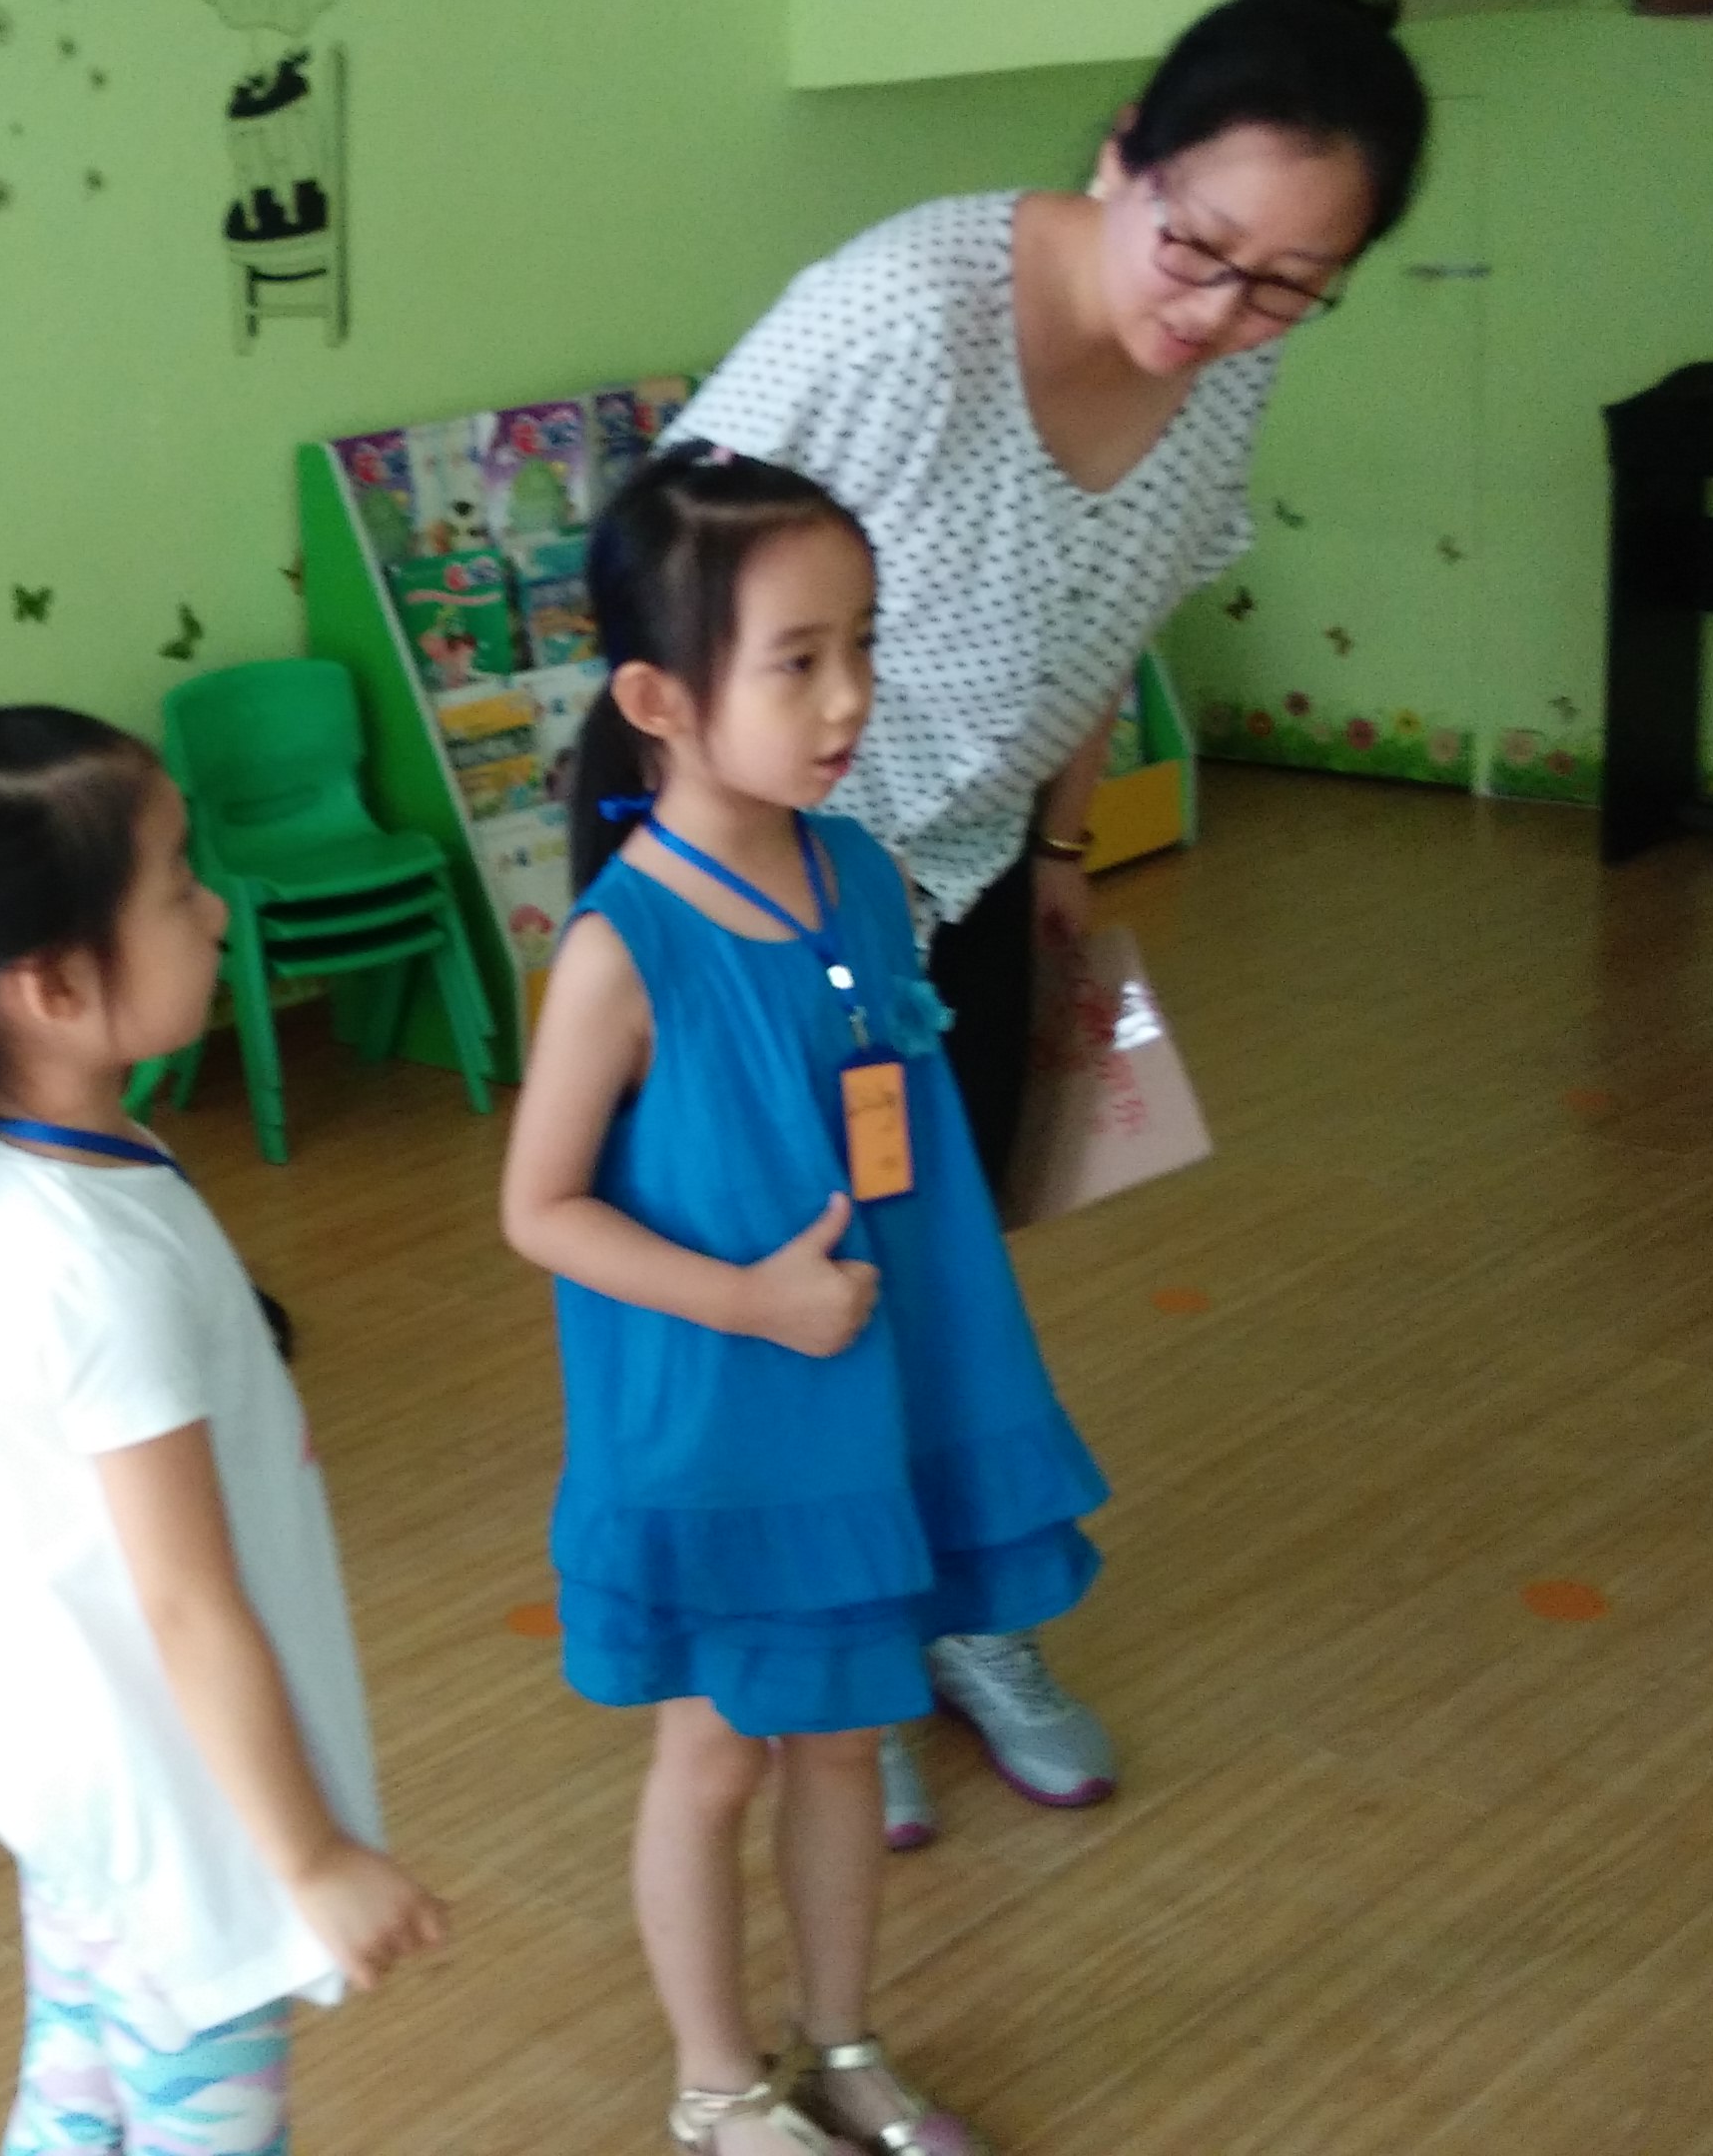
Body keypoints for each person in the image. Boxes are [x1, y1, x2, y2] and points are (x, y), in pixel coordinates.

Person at [664, 0, 1432, 1844]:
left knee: (952, 1255)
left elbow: (1112, 617)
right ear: (1120, 156)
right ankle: (826, 1657)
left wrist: (1066, 845)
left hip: (978, 861)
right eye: (1199, 250)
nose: (1224, 312)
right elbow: (663, 568)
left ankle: (956, 1611)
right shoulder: (902, 312)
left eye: (1293, 288)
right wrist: (711, 911)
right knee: (800, 1273)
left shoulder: (1225, 363)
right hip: (772, 883)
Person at [0, 696, 446, 2154]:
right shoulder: (98, 1264)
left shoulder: (24, 1161)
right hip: (176, 1800)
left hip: (79, 1761)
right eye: (177, 883)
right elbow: (186, 1604)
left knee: (81, 2089)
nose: (216, 908)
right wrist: (309, 1858)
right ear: (50, 983)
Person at [500, 448, 1104, 2156]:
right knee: (712, 1763)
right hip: (719, 1427)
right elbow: (537, 1209)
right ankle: (717, 2090)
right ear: (657, 700)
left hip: (867, 1394)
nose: (849, 697)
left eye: (862, 645)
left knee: (846, 1741)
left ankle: (844, 2049)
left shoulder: (863, 875)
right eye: (796, 661)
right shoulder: (621, 951)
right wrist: (749, 1302)